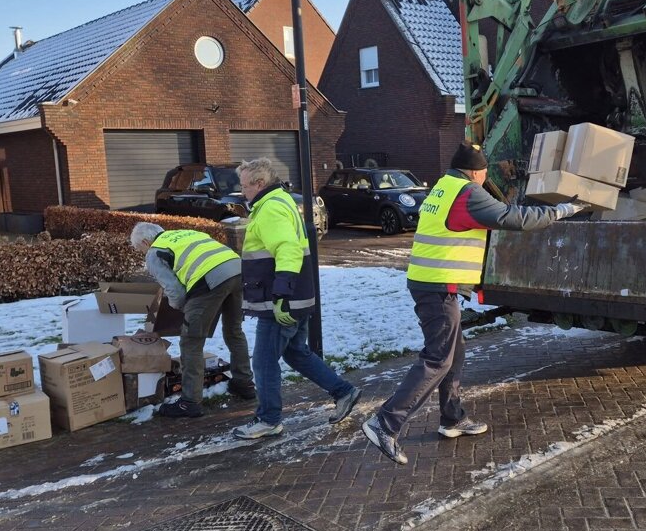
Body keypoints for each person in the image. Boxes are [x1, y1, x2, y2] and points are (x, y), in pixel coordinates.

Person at [362, 142, 584, 464]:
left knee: (455, 354)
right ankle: (385, 422)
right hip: (438, 287)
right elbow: (511, 217)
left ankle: (452, 419)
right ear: (477, 172)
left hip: (431, 283)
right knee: (439, 358)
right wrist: (558, 211)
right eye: (483, 174)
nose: (483, 179)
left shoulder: (443, 187)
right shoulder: (468, 192)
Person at [232, 157, 361, 439]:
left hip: (279, 302)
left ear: (259, 183)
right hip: (294, 298)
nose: (242, 192)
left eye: (244, 186)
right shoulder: (280, 202)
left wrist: (281, 295)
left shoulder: (270, 209)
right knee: (296, 353)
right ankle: (343, 391)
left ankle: (268, 419)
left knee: (264, 362)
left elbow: (287, 249)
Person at [130, 223, 256, 418]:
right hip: (237, 269)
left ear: (146, 242)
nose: (144, 253)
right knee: (234, 330)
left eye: (141, 249)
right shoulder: (184, 233)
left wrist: (180, 311)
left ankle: (190, 402)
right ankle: (244, 384)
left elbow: (176, 292)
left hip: (208, 280)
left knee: (191, 341)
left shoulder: (154, 253)